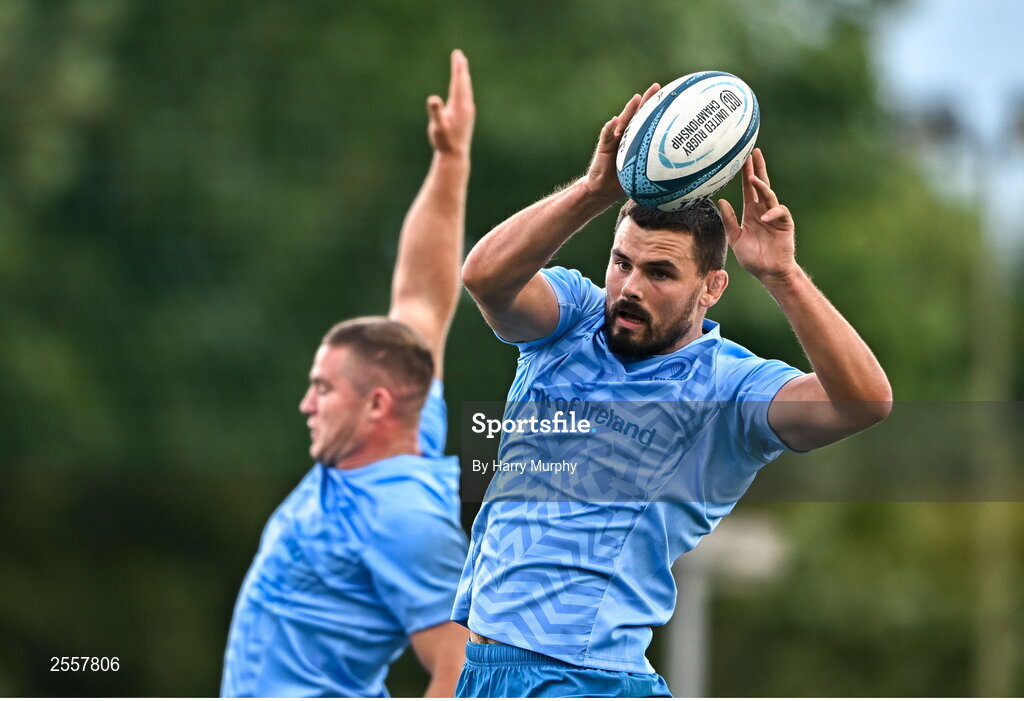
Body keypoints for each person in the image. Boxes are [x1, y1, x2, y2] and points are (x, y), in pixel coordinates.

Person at [454, 84, 892, 697]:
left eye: (659, 272)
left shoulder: (729, 387)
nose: (630, 286)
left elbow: (863, 402)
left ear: (712, 288)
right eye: (621, 262)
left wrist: (783, 276)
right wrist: (593, 191)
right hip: (486, 672)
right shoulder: (575, 317)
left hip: (583, 681)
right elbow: (484, 278)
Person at [220, 50, 474, 698]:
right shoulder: (405, 429)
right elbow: (420, 295)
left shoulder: (404, 517)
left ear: (376, 405)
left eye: (323, 388)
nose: (306, 404)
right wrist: (450, 163)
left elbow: (463, 667)